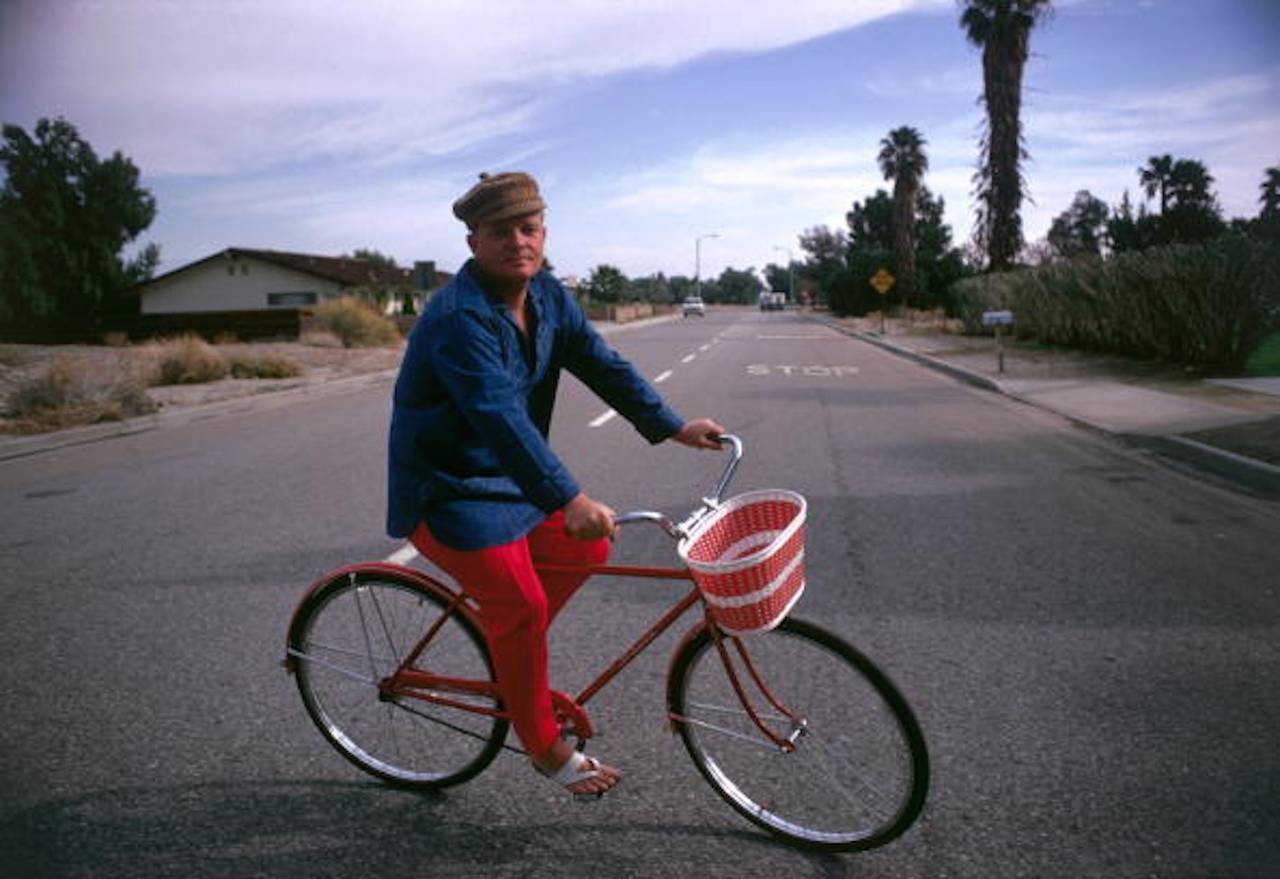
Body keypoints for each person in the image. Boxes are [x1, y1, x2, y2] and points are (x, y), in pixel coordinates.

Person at [387, 171, 725, 798]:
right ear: (473, 243)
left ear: (543, 232)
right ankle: (543, 744)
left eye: (528, 227)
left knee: (587, 548)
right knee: (521, 604)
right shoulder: (459, 318)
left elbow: (603, 364)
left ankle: (513, 657)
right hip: (448, 489)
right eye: (500, 231)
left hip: (508, 479)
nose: (518, 240)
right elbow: (498, 416)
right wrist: (569, 498)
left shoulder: (547, 296)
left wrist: (674, 426)